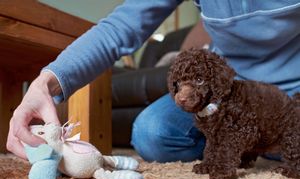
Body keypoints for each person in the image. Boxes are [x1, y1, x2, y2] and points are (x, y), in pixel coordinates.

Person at [7, 0, 300, 161]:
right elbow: (119, 29)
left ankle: (267, 140)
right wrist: (45, 83)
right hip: (223, 91)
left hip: (291, 92)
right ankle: (254, 145)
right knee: (152, 132)